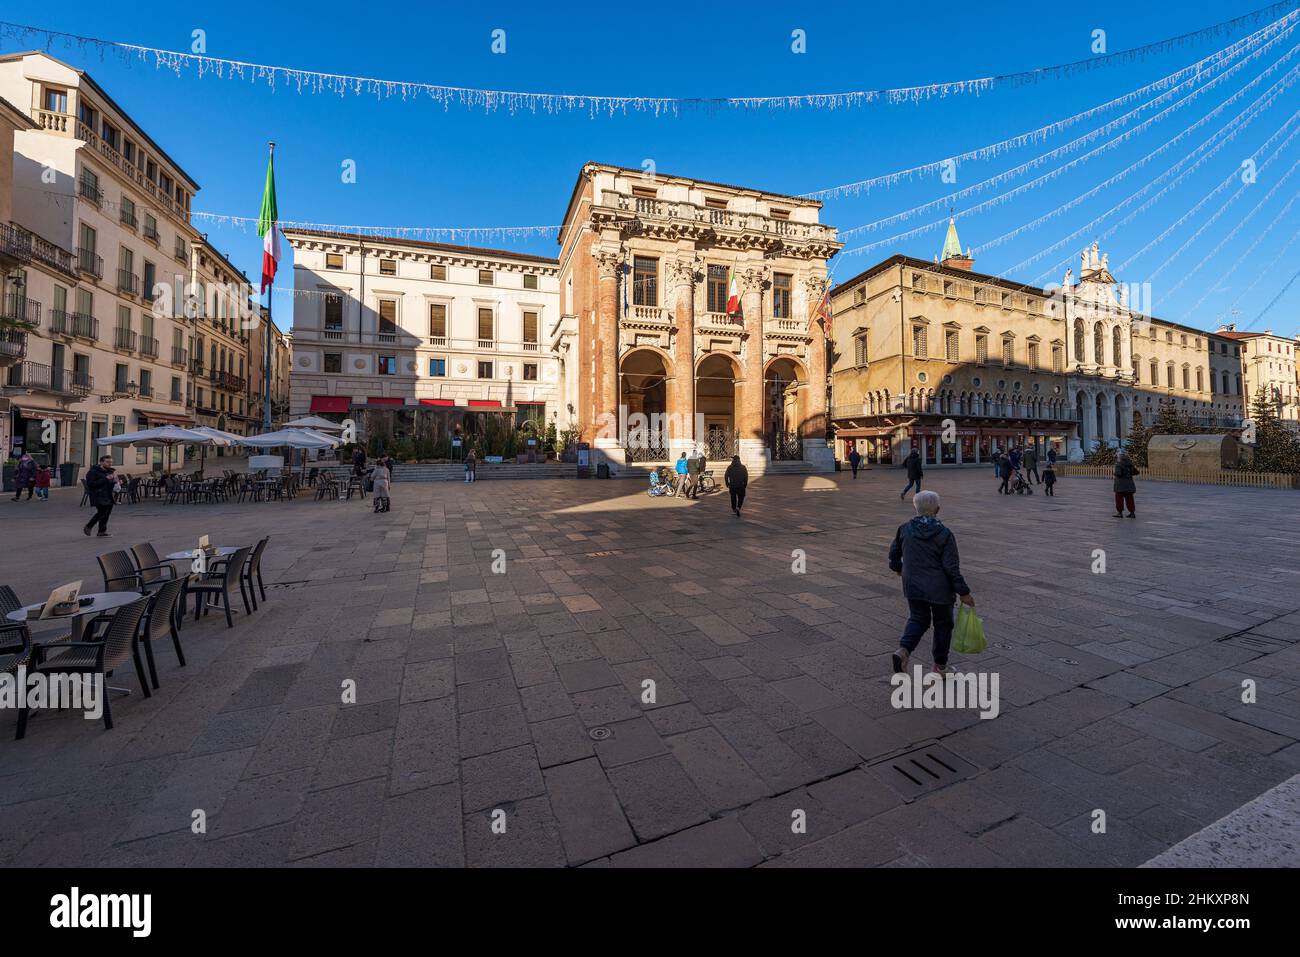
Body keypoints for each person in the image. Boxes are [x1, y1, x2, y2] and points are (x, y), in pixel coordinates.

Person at [888, 490, 974, 676]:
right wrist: (964, 592)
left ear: (915, 508)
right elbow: (951, 567)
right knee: (943, 624)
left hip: (913, 585)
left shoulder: (904, 529)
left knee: (918, 619)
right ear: (938, 509)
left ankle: (903, 651)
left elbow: (894, 554)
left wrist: (898, 568)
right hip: (940, 589)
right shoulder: (944, 534)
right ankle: (939, 667)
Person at [82, 455, 117, 537]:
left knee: (107, 513)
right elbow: (90, 484)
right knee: (102, 512)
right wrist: (106, 479)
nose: (110, 464)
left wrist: (115, 482)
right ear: (101, 462)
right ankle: (89, 526)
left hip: (108, 495)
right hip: (98, 494)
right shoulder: (93, 471)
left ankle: (102, 531)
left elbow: (109, 484)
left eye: (111, 462)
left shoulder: (109, 471)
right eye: (107, 462)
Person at [1113, 449, 1138, 518]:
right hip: (1129, 484)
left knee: (1119, 499)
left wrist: (1115, 473)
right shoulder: (1130, 462)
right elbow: (1135, 472)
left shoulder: (1119, 463)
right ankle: (1132, 513)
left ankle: (1120, 513)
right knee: (1130, 499)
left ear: (1119, 455)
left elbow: (1119, 473)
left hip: (1120, 485)